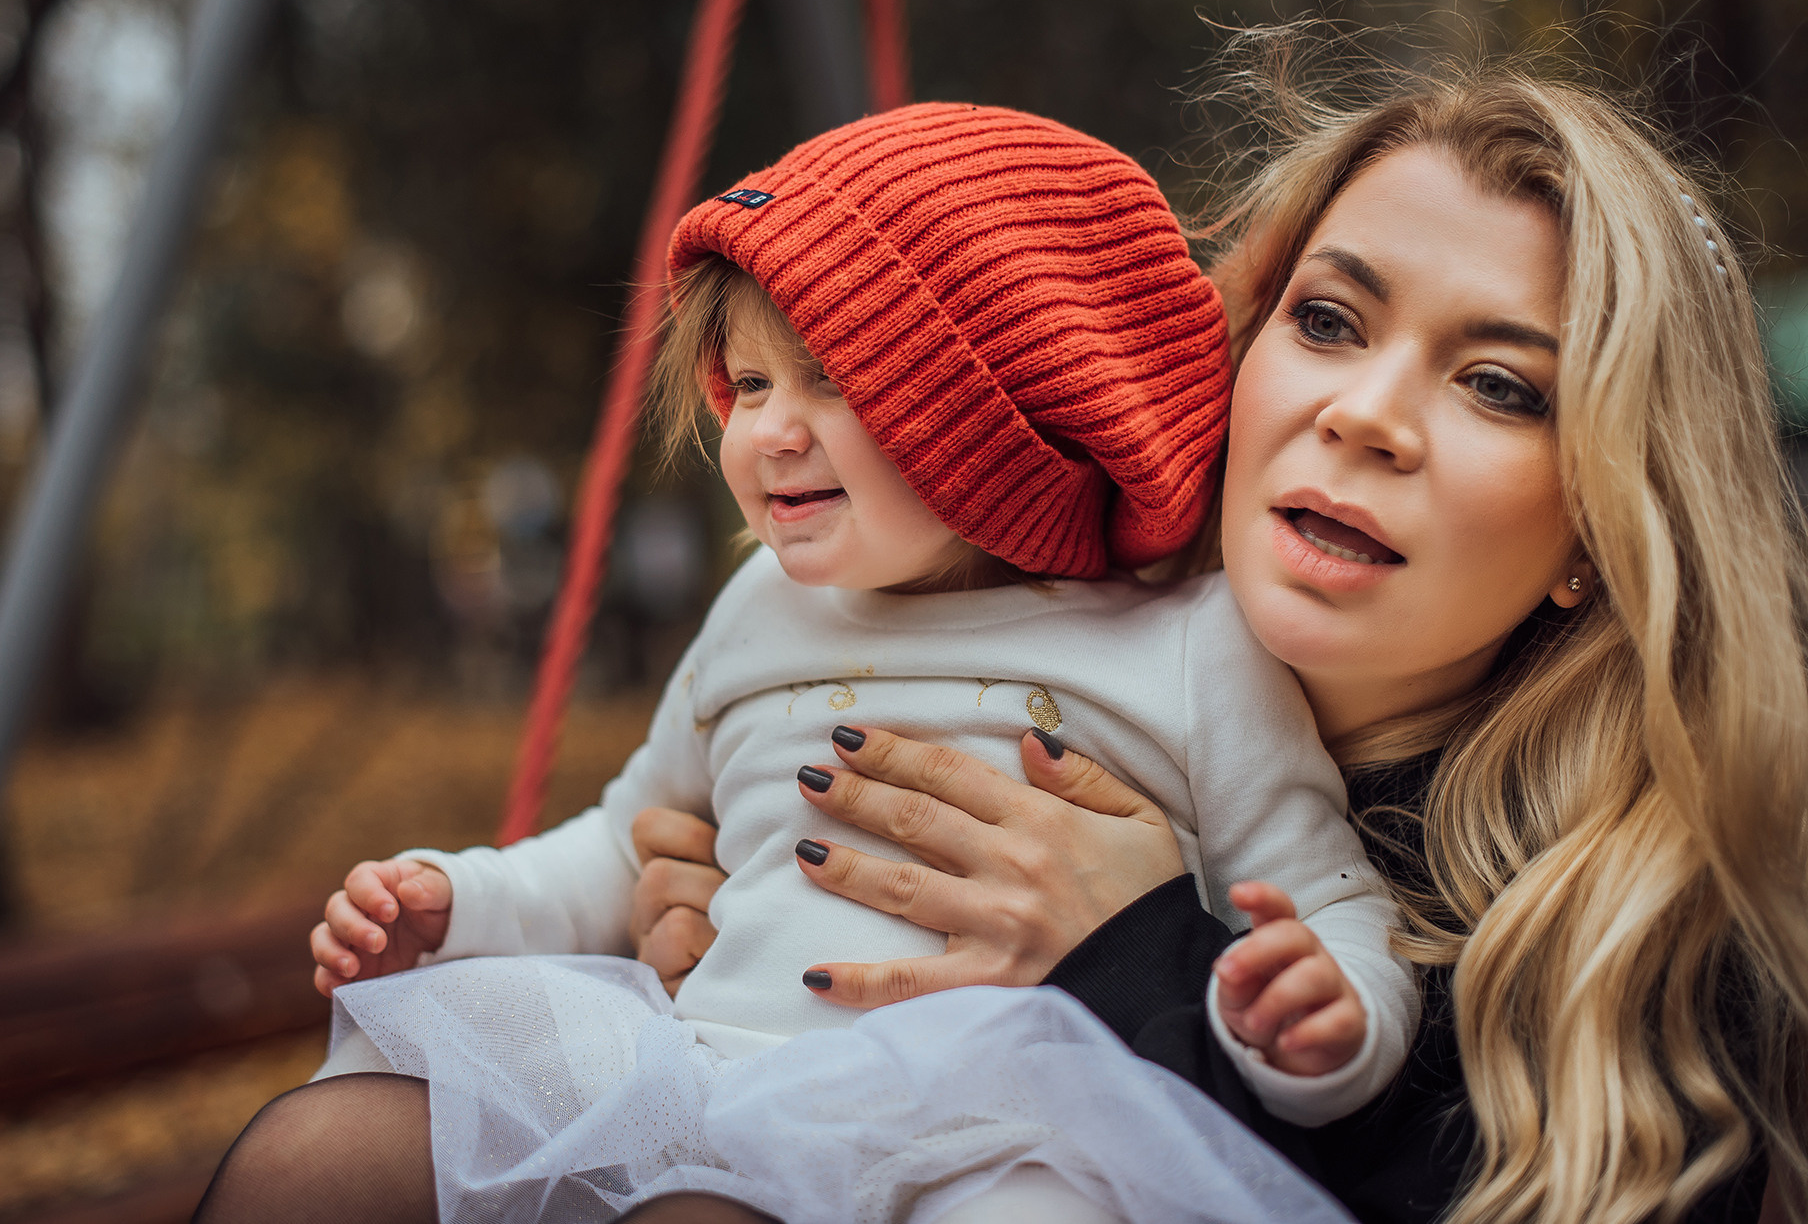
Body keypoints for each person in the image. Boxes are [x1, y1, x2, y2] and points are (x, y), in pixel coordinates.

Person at [629, 33, 1808, 1224]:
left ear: (1599, 529)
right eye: (1331, 321)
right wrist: (725, 924)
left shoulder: (1644, 938)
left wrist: (1135, 954)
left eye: (1498, 386)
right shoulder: (990, 644)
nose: (1364, 416)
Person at [194, 104, 1418, 1223]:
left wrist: (1325, 1022)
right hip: (717, 1083)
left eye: (832, 384)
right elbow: (629, 838)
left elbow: (1324, 905)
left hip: (1002, 1139)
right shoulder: (759, 608)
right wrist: (460, 902)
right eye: (750, 382)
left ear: (1005, 417)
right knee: (314, 1164)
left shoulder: (1188, 645)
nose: (768, 432)